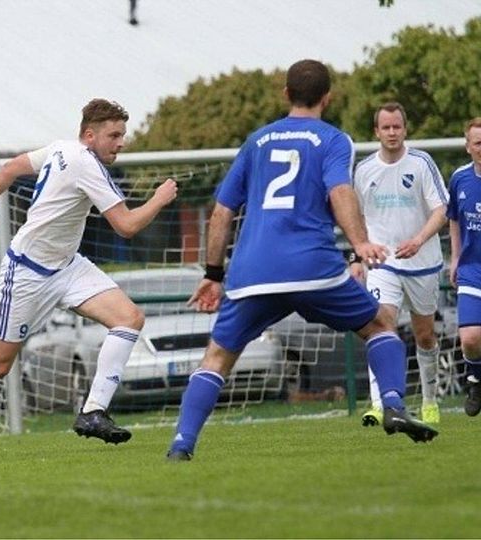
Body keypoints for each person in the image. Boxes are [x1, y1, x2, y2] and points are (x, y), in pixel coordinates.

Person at [166, 60, 438, 462]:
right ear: (328, 97)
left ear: (285, 94)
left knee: (217, 358)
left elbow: (221, 213)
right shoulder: (332, 139)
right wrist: (360, 243)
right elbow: (340, 190)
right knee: (381, 326)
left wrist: (212, 274)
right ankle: (394, 405)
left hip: (252, 272)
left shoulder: (255, 141)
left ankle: (181, 446)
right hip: (313, 268)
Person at [0, 98, 179, 459]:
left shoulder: (61, 148)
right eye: (114, 135)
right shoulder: (84, 163)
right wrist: (159, 199)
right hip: (28, 271)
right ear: (90, 135)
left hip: (67, 266)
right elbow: (125, 226)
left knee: (129, 319)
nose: (121, 142)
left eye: (122, 135)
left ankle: (94, 411)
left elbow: (9, 170)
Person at [351, 102, 448, 427]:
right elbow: (357, 218)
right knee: (381, 327)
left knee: (424, 337)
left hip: (422, 264)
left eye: (397, 127)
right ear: (376, 131)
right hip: (383, 264)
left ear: (405, 129)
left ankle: (430, 400)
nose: (392, 132)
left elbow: (441, 210)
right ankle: (380, 404)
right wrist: (358, 254)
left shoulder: (421, 163)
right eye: (386, 127)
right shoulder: (364, 170)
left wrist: (418, 240)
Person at [445, 117, 481, 417]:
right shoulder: (459, 178)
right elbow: (454, 218)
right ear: (468, 147)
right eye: (478, 143)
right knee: (469, 338)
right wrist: (455, 257)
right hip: (472, 268)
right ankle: (474, 377)